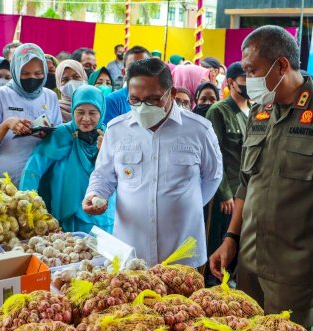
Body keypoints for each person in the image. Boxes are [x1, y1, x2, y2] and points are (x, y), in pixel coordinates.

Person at [209, 25, 313, 329]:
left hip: (295, 269)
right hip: (249, 261)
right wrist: (231, 238)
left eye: (252, 69)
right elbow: (248, 182)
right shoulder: (260, 110)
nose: (247, 79)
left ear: (281, 65)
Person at [83, 58, 222, 267]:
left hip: (183, 253)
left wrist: (185, 205)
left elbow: (212, 176)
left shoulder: (198, 130)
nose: (143, 107)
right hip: (130, 254)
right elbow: (103, 176)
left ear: (172, 94)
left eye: (153, 100)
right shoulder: (116, 130)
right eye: (135, 100)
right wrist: (95, 194)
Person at [21, 85, 114, 233]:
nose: (86, 118)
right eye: (80, 112)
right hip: (68, 218)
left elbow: (124, 174)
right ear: (72, 111)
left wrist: (107, 152)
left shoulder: (110, 136)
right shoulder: (61, 135)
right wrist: (26, 203)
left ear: (102, 112)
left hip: (103, 217)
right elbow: (33, 168)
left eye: (93, 113)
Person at [0, 43, 62, 186]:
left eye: (38, 73)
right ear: (16, 71)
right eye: (25, 74)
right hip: (5, 180)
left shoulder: (50, 97)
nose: (32, 78)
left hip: (40, 178)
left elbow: (60, 140)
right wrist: (6, 125)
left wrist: (48, 133)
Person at [204, 61, 250, 284]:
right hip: (227, 192)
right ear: (230, 82)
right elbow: (215, 155)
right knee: (219, 241)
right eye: (244, 79)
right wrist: (224, 192)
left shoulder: (253, 109)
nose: (249, 84)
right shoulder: (219, 110)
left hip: (246, 191)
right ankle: (214, 284)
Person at [103, 45, 151, 124]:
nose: (139, 71)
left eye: (144, 66)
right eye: (133, 67)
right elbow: (110, 134)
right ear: (123, 72)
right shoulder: (112, 101)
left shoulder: (160, 99)